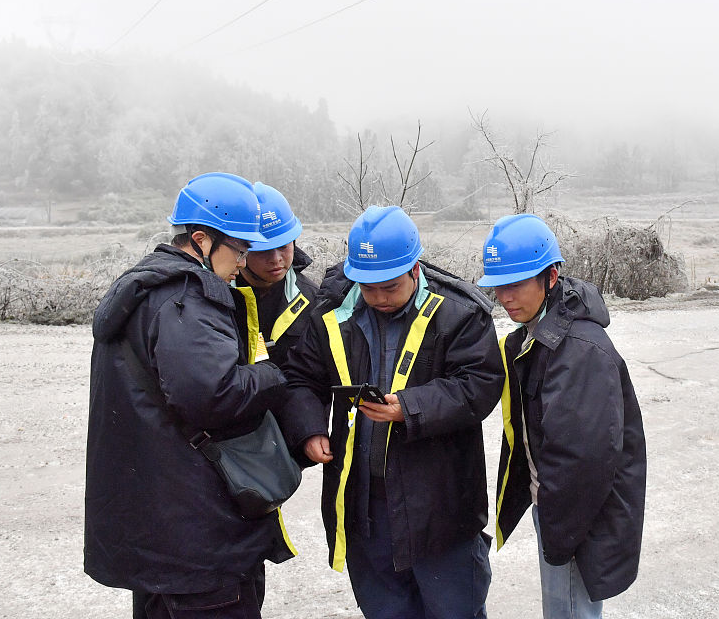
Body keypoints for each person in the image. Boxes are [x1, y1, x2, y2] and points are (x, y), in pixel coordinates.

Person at [85, 172, 296, 619]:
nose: (244, 262)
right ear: (201, 239)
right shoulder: (189, 298)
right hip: (199, 532)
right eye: (240, 249)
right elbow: (213, 397)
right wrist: (272, 375)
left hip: (156, 520)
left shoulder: (142, 288)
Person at [279, 205, 503, 619]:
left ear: (415, 269)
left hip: (440, 507)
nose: (379, 297)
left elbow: (480, 385)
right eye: (368, 288)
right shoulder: (330, 313)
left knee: (455, 610)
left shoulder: (459, 313)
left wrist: (412, 407)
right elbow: (300, 378)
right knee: (386, 610)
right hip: (366, 505)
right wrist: (308, 429)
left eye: (390, 287)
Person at [480, 213, 647, 619]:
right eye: (498, 286)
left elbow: (583, 462)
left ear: (551, 277)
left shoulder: (578, 351)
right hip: (561, 509)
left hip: (574, 517)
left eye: (516, 284)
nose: (505, 297)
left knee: (569, 612)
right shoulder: (538, 333)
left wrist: (559, 532)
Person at [233, 182, 320, 367]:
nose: (276, 259)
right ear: (241, 249)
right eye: (263, 250)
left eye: (283, 246)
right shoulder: (216, 297)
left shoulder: (310, 300)